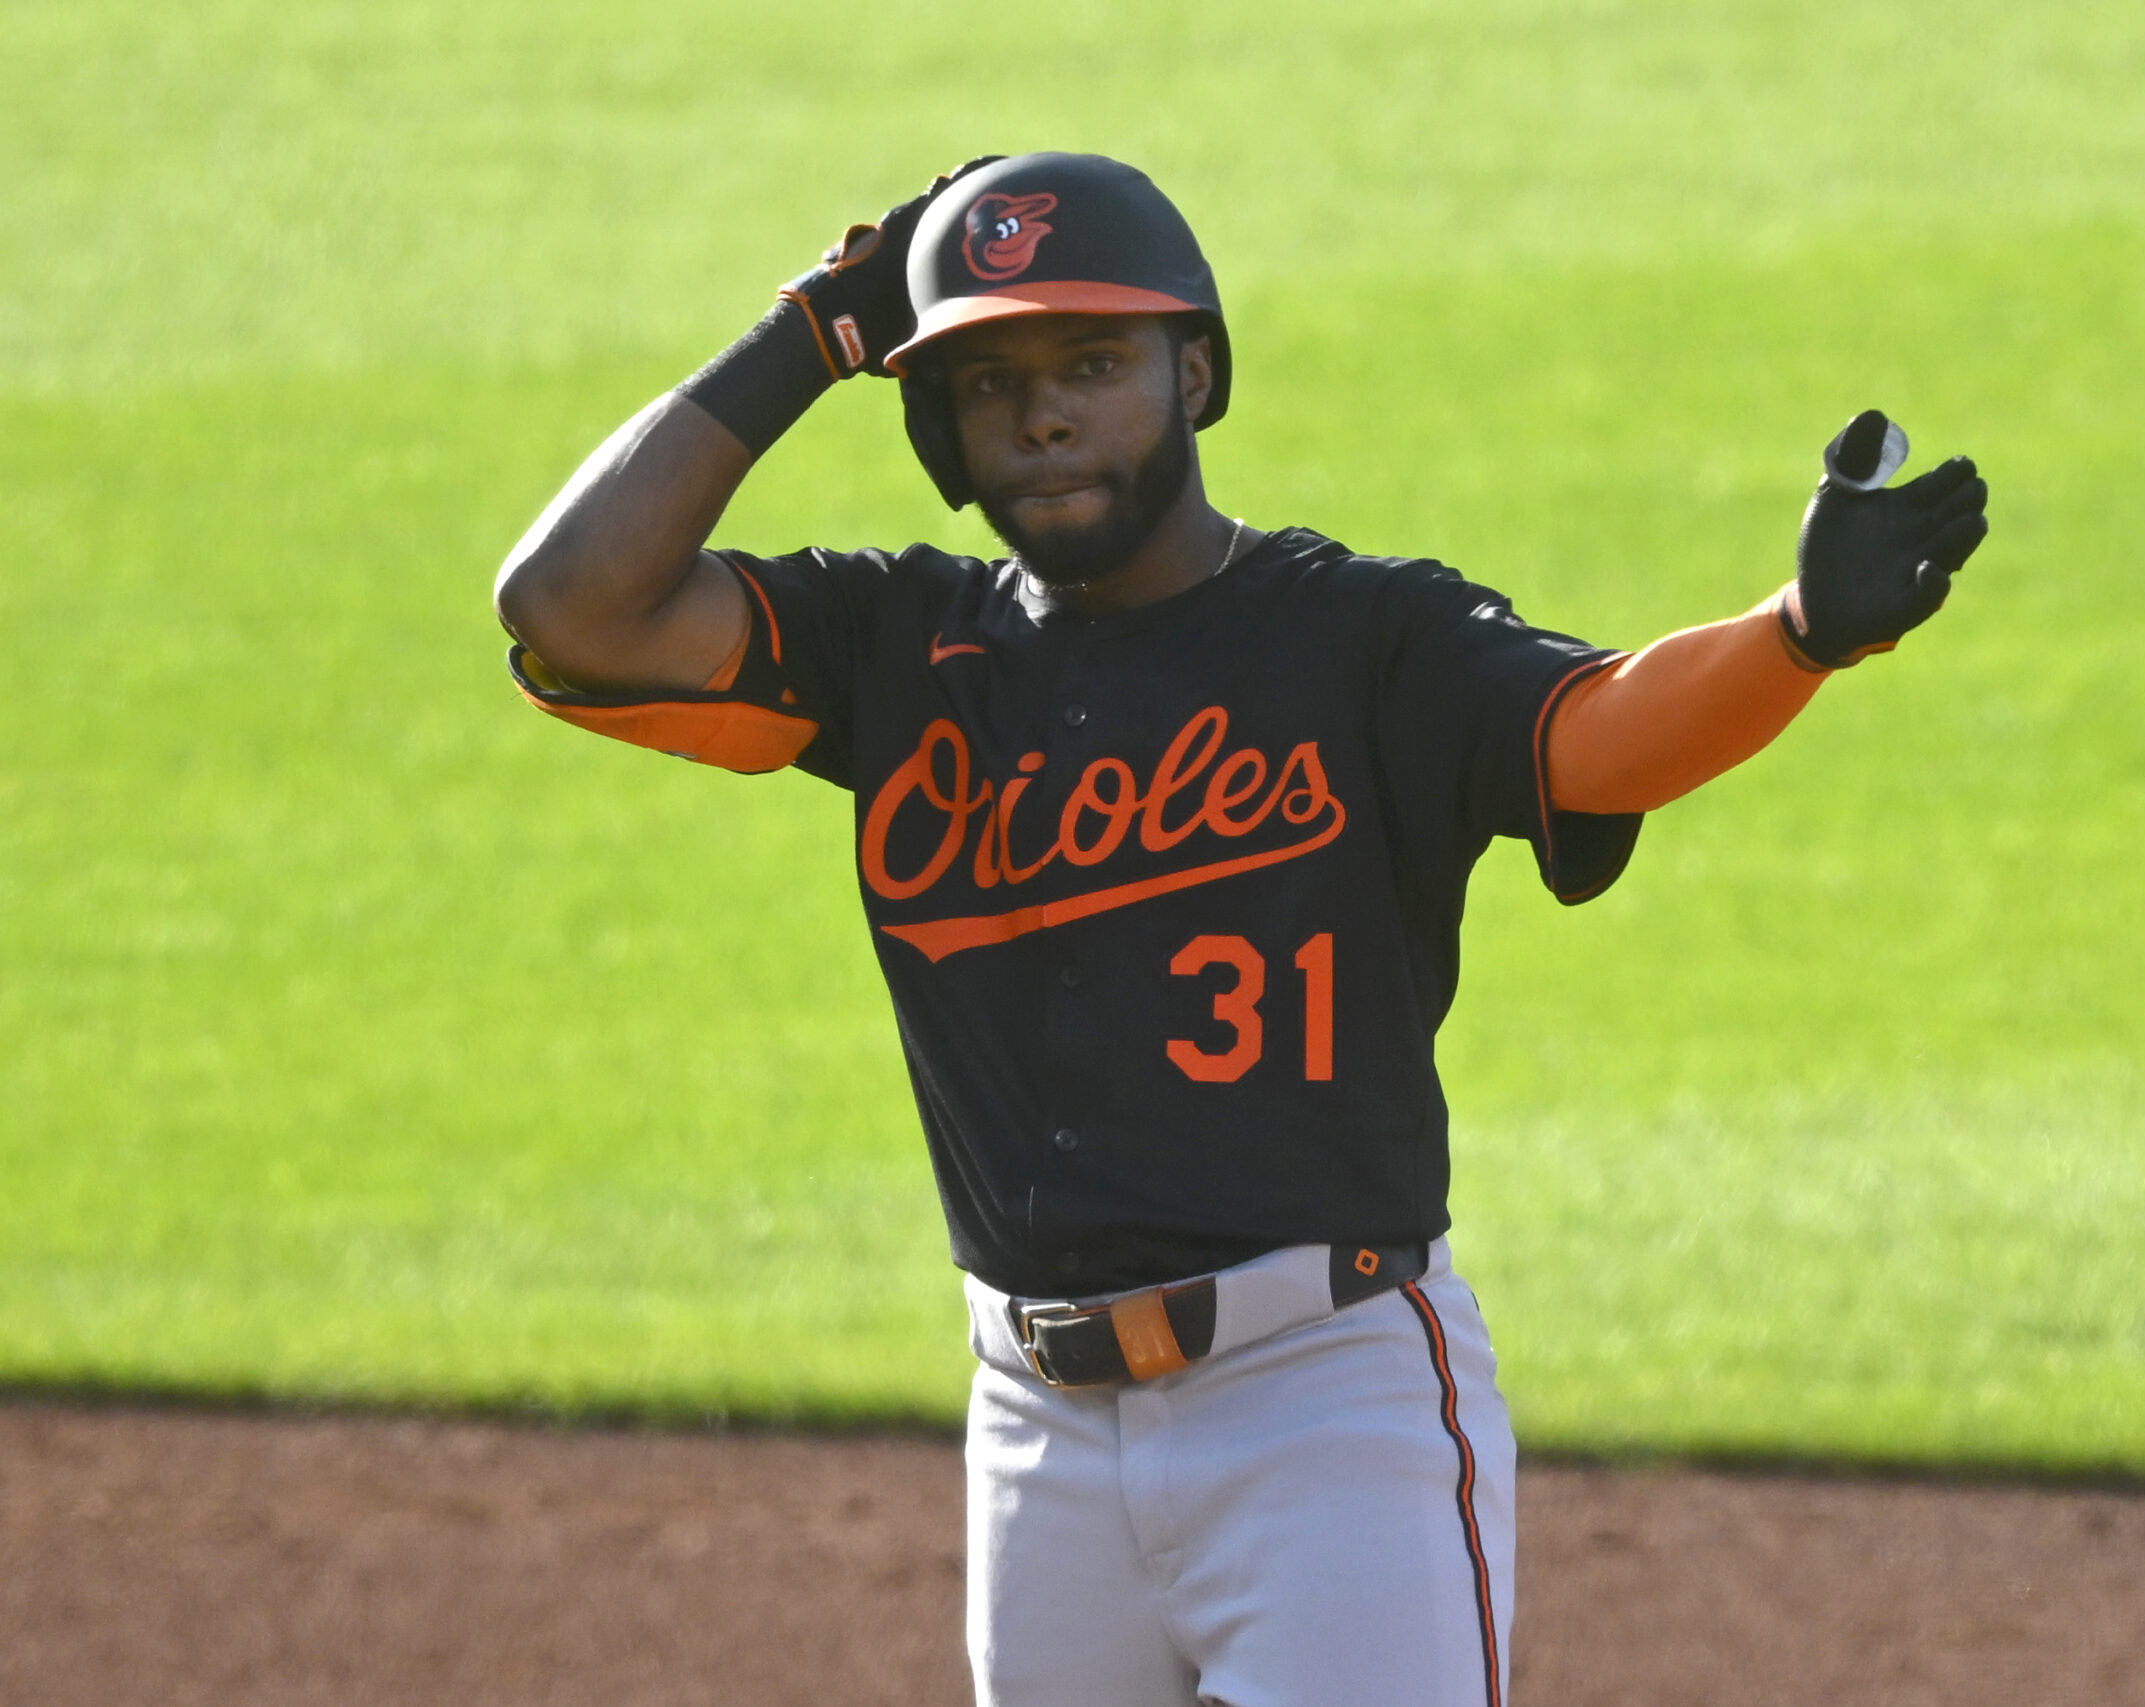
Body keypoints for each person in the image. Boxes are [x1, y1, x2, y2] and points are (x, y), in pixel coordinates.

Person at [493, 152, 1988, 1707]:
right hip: (1036, 1432)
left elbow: (1590, 739)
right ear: (936, 426)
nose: (1045, 415)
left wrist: (1800, 637)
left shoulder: (1356, 635)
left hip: (1325, 1404)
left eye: (1092, 363)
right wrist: (815, 327)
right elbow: (572, 607)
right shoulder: (897, 644)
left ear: (1194, 372)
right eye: (990, 382)